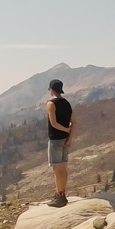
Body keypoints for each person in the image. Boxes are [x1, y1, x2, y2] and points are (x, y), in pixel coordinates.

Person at [45, 78, 75, 207]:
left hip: (55, 140)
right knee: (63, 168)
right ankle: (63, 194)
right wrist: (70, 136)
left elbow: (54, 123)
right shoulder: (67, 103)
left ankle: (59, 196)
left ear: (52, 90)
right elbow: (75, 121)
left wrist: (65, 129)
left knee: (57, 169)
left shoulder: (51, 104)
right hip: (65, 140)